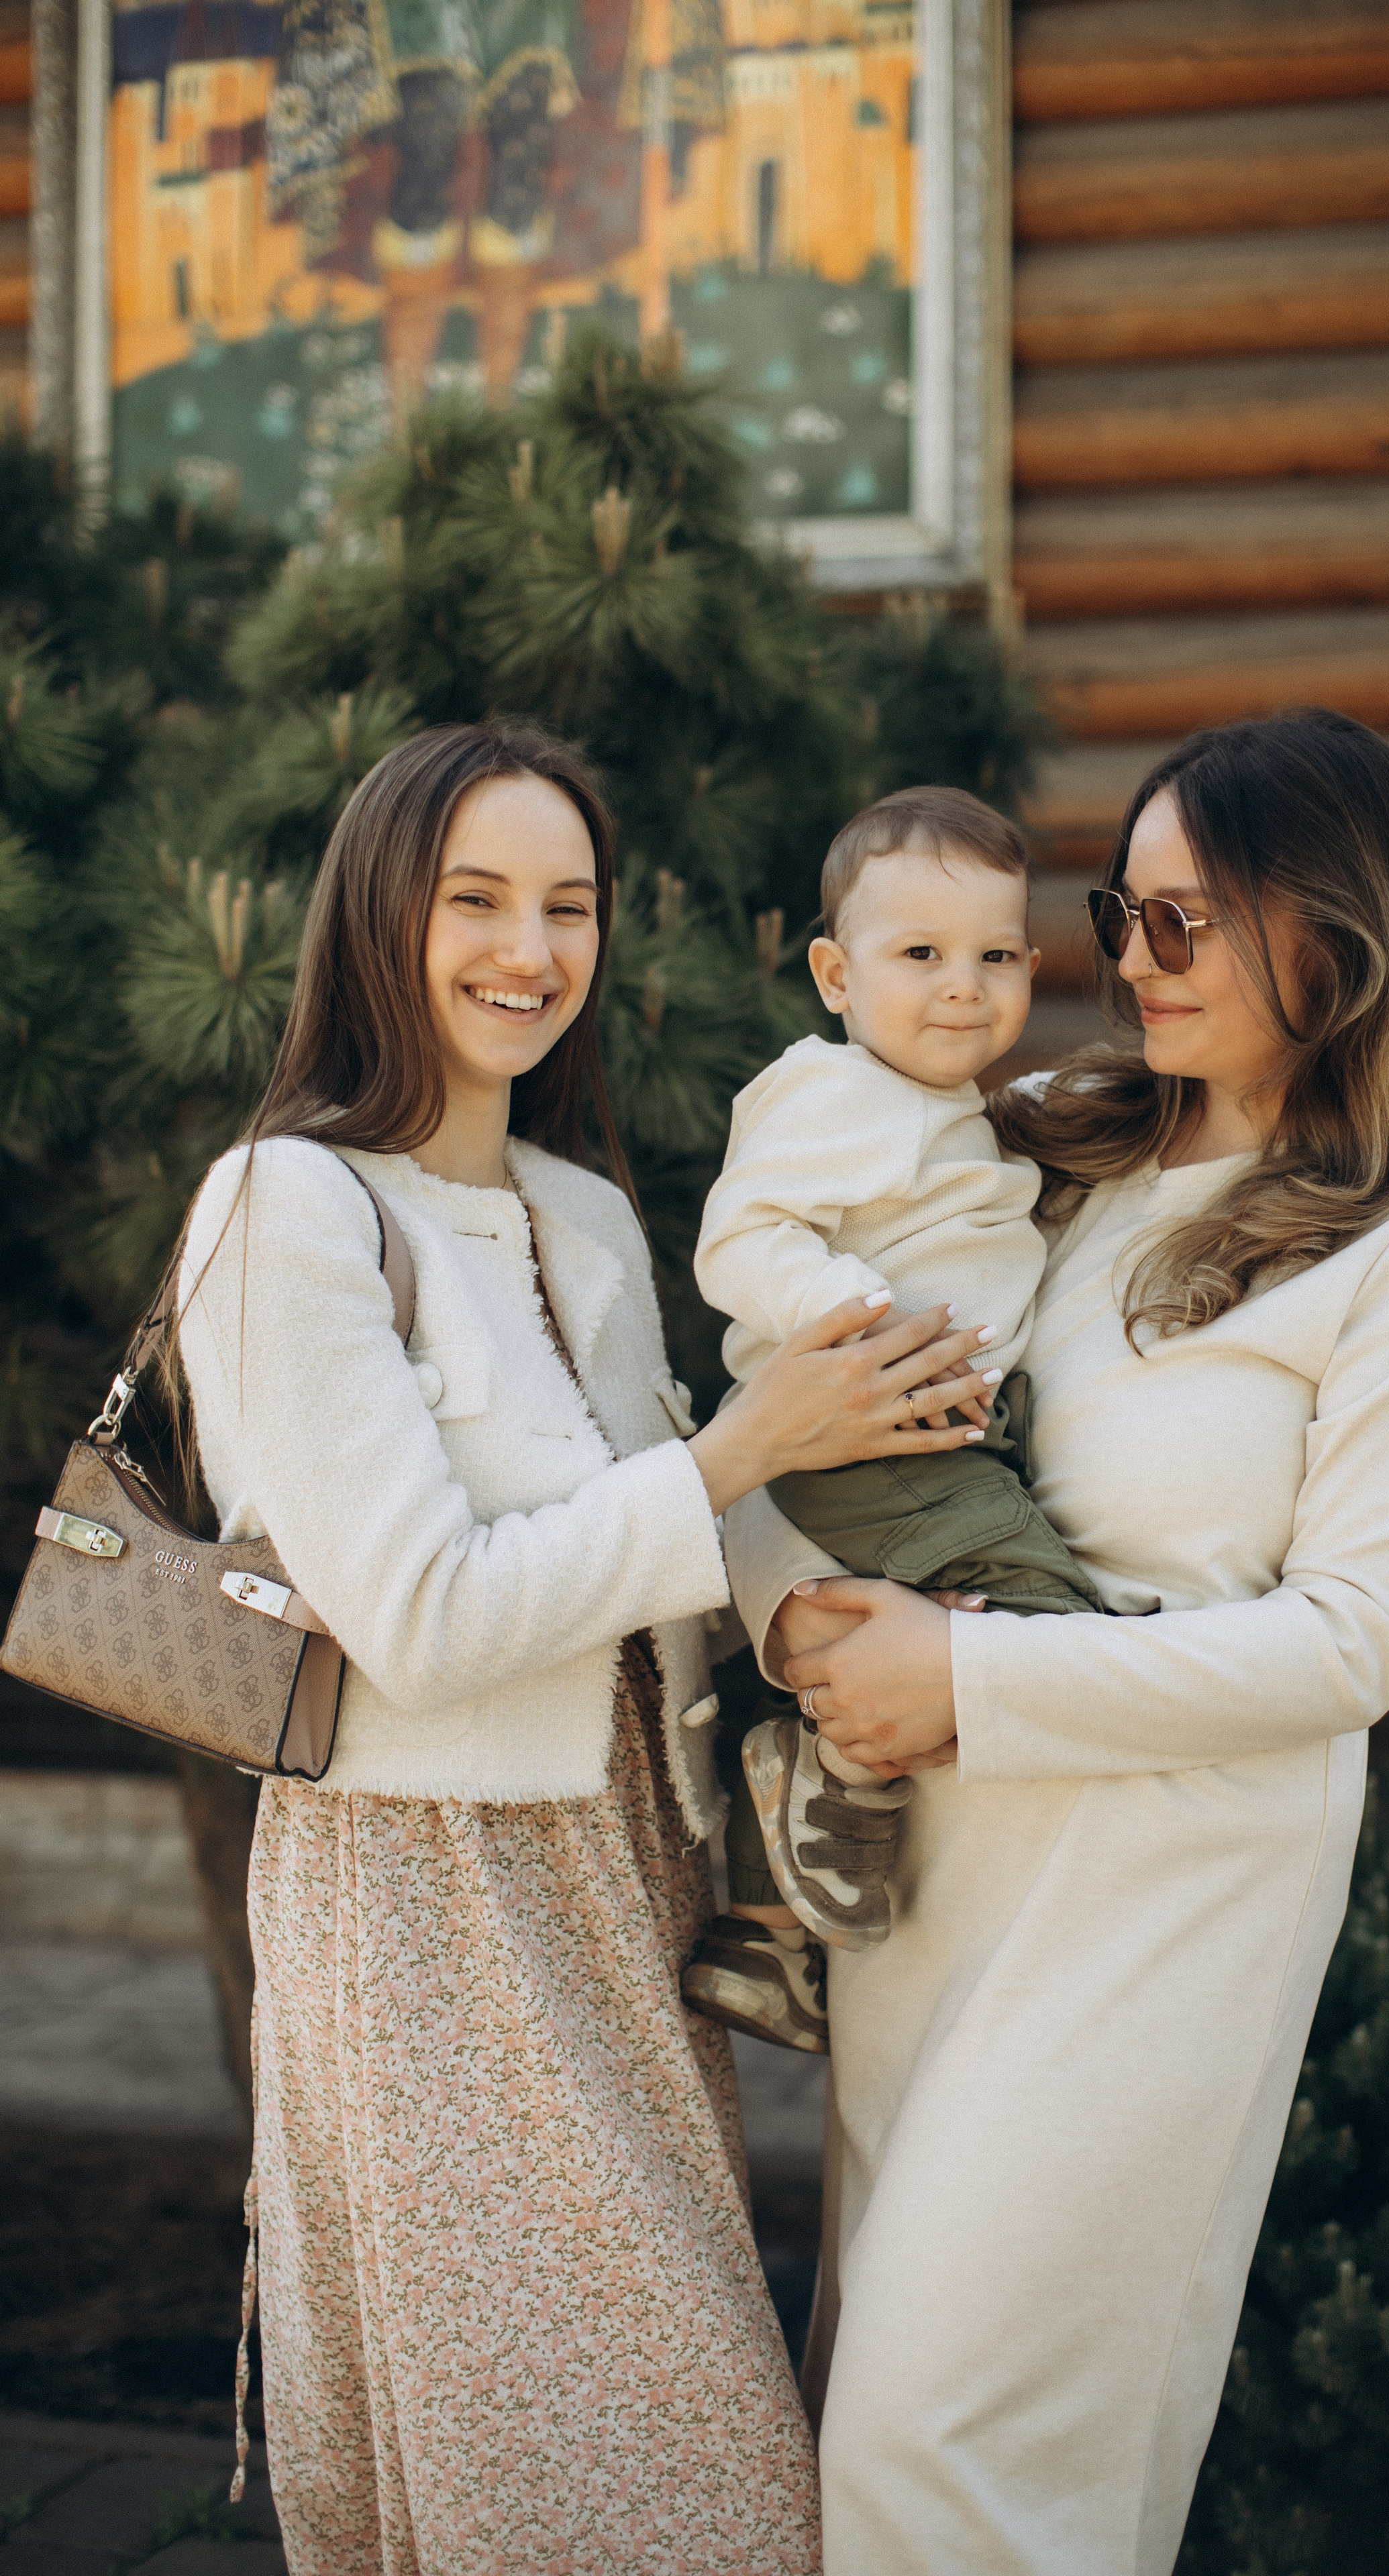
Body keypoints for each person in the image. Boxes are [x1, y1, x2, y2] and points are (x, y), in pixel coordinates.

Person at [173, 720, 997, 2573]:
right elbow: (424, 1616)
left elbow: (678, 1552)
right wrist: (743, 1446)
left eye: (570, 906)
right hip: (422, 1892)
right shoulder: (288, 1205)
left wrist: (856, 1596)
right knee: (613, 2456)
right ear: (381, 915)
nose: (527, 952)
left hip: (627, 1870)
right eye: (476, 900)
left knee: (629, 2442)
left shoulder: (591, 1218)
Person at [720, 707, 1389, 2574]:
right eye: (1122, 916)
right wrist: (808, 1627)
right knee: (882, 2440)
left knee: (958, 2457)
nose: (1128, 963)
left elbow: (1356, 1645)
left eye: (1189, 923)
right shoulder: (1032, 1171)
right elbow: (791, 1432)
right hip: (936, 1893)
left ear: (1339, 937)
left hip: (1165, 1905)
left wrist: (968, 1678)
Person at [682, 788, 1103, 2053]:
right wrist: (865, 1325)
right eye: (919, 955)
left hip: (928, 1437)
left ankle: (767, 1934)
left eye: (993, 957)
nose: (962, 987)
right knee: (1035, 1614)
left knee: (944, 1622)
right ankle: (844, 1775)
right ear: (834, 974)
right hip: (870, 1431)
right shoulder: (829, 1094)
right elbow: (742, 1237)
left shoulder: (962, 1114)